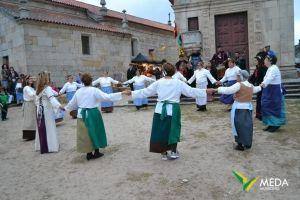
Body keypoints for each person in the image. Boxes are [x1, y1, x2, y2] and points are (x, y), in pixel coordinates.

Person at [126, 63, 208, 160]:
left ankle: (163, 152)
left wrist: (132, 93)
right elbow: (191, 91)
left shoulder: (159, 82)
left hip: (160, 109)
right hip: (172, 109)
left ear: (164, 72)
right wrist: (206, 91)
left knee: (161, 130)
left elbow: (146, 92)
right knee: (173, 130)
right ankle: (173, 151)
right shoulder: (178, 82)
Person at [64, 73, 128, 160]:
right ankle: (96, 152)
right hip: (93, 113)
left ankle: (89, 153)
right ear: (91, 81)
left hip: (81, 115)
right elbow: (107, 97)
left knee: (85, 133)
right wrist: (121, 93)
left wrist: (64, 109)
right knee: (96, 131)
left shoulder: (78, 91)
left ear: (82, 82)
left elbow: (71, 103)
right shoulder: (94, 90)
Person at [212, 70, 261, 151]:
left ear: (241, 77)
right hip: (248, 109)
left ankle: (240, 144)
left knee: (238, 126)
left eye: (238, 76)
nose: (236, 77)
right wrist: (261, 86)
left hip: (239, 109)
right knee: (247, 126)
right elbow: (256, 89)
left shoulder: (239, 85)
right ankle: (247, 143)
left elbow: (228, 90)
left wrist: (216, 90)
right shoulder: (250, 85)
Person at [35, 72, 63, 154]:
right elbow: (52, 99)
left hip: (40, 110)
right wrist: (59, 106)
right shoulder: (47, 89)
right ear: (45, 79)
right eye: (48, 77)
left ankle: (41, 146)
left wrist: (58, 93)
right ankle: (51, 146)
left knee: (41, 127)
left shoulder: (38, 89)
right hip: (47, 110)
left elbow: (37, 100)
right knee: (49, 127)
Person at [260, 55, 286, 132]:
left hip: (274, 91)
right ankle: (271, 124)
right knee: (268, 106)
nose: (264, 60)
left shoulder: (274, 68)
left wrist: (263, 84)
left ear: (270, 61)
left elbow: (270, 78)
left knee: (274, 107)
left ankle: (276, 124)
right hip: (269, 90)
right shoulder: (270, 68)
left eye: (265, 59)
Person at [249, 56, 268, 120]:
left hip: (263, 86)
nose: (255, 62)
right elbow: (253, 77)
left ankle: (262, 115)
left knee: (262, 100)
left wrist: (262, 84)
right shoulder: (257, 68)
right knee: (258, 100)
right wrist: (248, 82)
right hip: (258, 87)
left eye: (256, 60)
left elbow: (265, 77)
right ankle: (258, 114)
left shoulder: (263, 68)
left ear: (259, 61)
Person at [22, 76, 36, 141]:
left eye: (31, 78)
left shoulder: (32, 88)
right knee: (29, 119)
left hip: (33, 104)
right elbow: (31, 94)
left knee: (33, 119)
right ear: (26, 80)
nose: (31, 80)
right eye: (29, 79)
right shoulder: (26, 87)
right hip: (28, 104)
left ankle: (33, 135)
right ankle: (28, 135)